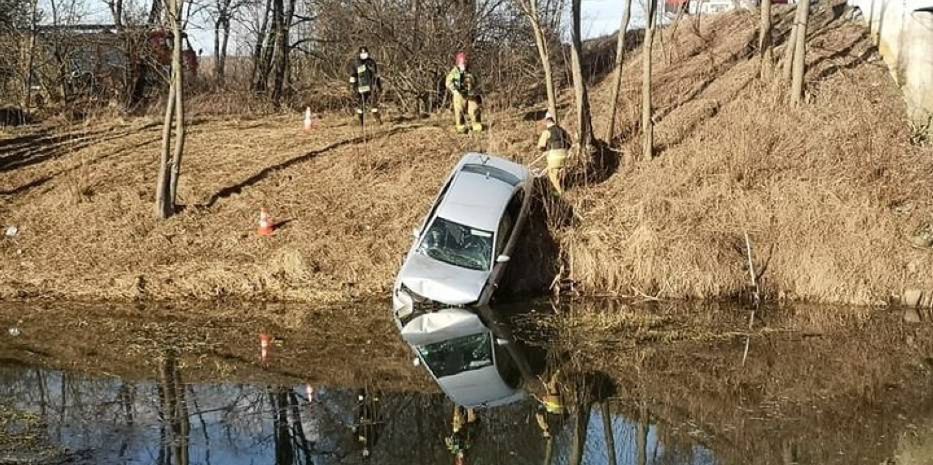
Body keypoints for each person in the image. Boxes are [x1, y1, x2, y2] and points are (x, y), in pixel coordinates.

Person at [445, 52, 482, 133]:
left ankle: (477, 126)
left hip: (470, 94)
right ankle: (461, 128)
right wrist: (454, 90)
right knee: (459, 111)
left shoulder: (470, 72)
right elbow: (448, 82)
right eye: (462, 63)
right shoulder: (454, 72)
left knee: (474, 109)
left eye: (465, 63)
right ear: (458, 63)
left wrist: (475, 90)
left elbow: (476, 81)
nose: (464, 65)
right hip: (459, 95)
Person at [537, 112, 572, 195]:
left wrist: (545, 150)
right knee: (559, 173)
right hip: (565, 156)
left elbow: (540, 146)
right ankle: (563, 186)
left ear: (546, 121)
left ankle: (560, 193)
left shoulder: (547, 132)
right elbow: (570, 143)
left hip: (554, 157)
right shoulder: (562, 130)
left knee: (552, 176)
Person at [349, 46, 381, 126]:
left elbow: (376, 75)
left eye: (365, 52)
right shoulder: (356, 63)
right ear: (359, 53)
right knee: (361, 105)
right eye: (362, 52)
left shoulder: (371, 62)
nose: (364, 54)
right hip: (361, 87)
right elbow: (353, 76)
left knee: (374, 104)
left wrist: (378, 85)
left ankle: (377, 120)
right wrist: (353, 87)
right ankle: (360, 121)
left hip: (371, 86)